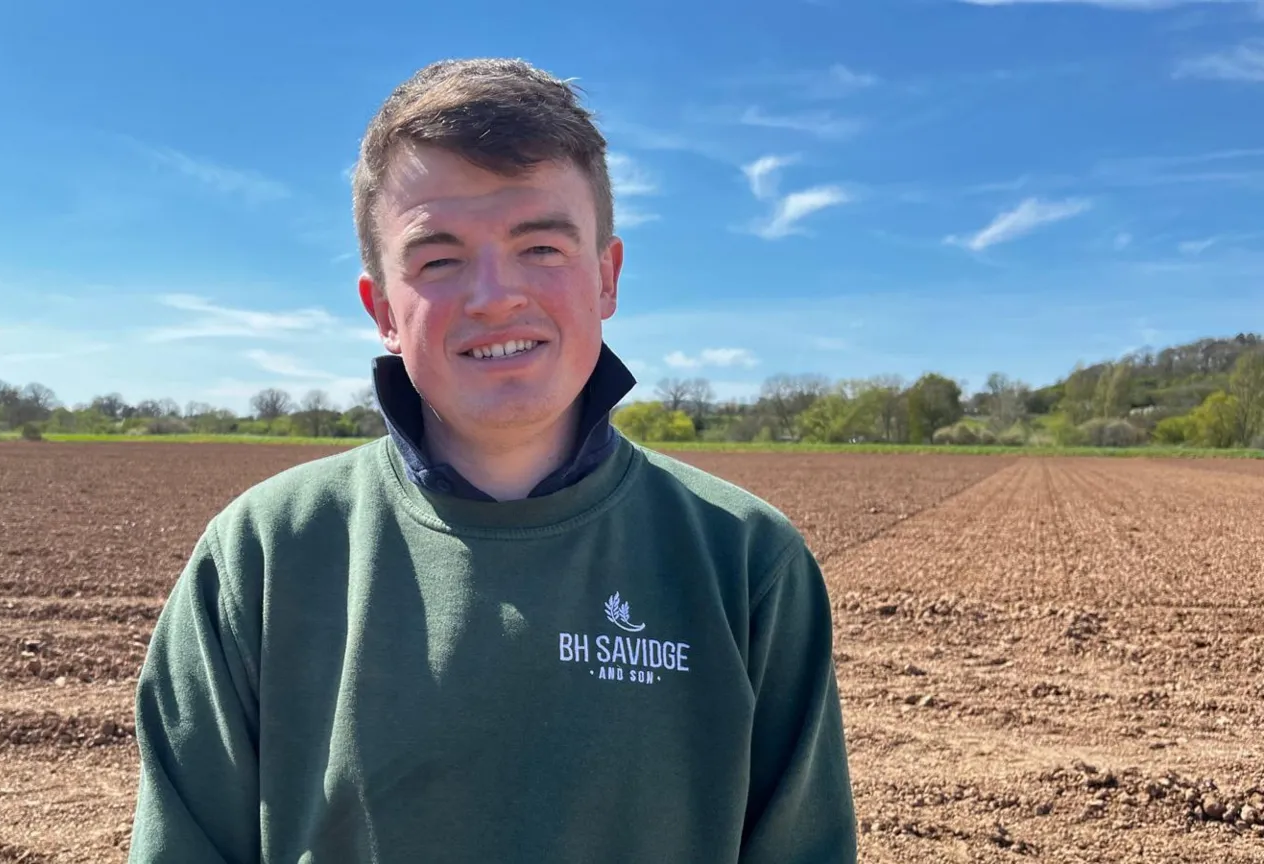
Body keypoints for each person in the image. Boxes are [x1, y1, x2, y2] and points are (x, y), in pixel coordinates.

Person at [128, 57, 857, 863]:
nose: (494, 295)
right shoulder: (261, 557)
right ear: (382, 310)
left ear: (606, 276)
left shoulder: (745, 562)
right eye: (438, 260)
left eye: (540, 245)